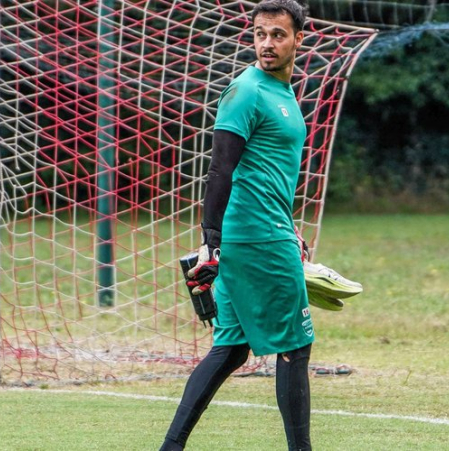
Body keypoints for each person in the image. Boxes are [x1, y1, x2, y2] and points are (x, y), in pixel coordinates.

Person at [159, 1, 313, 450]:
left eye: (278, 34)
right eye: (261, 34)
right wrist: (211, 241)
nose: (267, 43)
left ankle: (171, 447)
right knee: (294, 347)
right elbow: (220, 169)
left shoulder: (280, 92)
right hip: (257, 239)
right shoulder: (247, 91)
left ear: (298, 38)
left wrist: (290, 225)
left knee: (231, 348)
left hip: (266, 229)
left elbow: (264, 169)